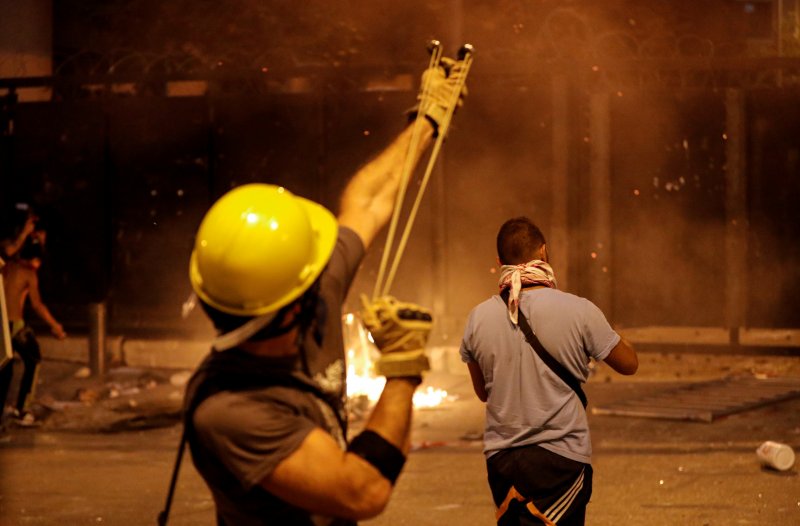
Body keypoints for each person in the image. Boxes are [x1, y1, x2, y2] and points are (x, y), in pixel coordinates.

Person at [181, 55, 467, 525]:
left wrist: (428, 120)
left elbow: (369, 201)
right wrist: (402, 368)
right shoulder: (231, 411)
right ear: (289, 308)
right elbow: (360, 491)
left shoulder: (303, 290)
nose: (324, 272)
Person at [460, 217, 638, 526]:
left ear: (500, 262)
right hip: (561, 459)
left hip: (502, 462)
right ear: (545, 252)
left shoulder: (477, 318)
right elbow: (629, 364)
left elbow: (483, 393)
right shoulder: (579, 310)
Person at [0, 232, 67, 428]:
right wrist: (55, 326)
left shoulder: (6, 267)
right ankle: (23, 409)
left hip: (1, 325)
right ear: (35, 259)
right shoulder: (29, 272)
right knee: (33, 359)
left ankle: (5, 409)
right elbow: (37, 305)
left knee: (5, 368)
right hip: (14, 326)